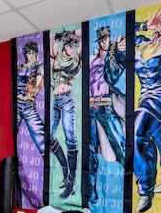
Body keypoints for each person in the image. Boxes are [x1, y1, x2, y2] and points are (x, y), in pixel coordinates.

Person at [133, 9, 161, 213]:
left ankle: (145, 191)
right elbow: (123, 37)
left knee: (138, 134)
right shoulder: (142, 41)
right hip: (144, 95)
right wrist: (146, 25)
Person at [89, 26, 126, 203]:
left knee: (119, 144)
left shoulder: (114, 57)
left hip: (107, 106)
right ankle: (92, 191)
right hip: (91, 107)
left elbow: (115, 72)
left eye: (106, 39)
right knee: (90, 150)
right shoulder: (94, 59)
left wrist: (116, 49)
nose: (104, 42)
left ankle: (129, 188)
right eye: (102, 40)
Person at [49, 29, 82, 199]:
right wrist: (61, 35)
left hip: (68, 100)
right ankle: (65, 172)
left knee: (71, 140)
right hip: (56, 101)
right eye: (71, 46)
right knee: (47, 136)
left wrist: (72, 33)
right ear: (66, 45)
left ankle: (71, 183)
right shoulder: (56, 54)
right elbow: (50, 39)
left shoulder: (77, 58)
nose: (74, 49)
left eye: (76, 46)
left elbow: (83, 33)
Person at [16, 41, 45, 156]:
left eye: (34, 53)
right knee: (10, 136)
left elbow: (35, 88)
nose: (32, 55)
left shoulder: (39, 67)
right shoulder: (19, 67)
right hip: (17, 103)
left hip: (29, 105)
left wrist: (34, 69)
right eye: (29, 53)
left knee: (41, 139)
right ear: (26, 55)